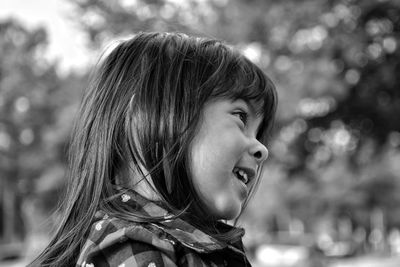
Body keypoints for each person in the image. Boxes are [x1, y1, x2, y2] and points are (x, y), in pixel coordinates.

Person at [30, 32, 277, 266]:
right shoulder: (131, 246)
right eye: (241, 117)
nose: (262, 149)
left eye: (257, 132)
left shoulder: (186, 245)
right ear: (150, 117)